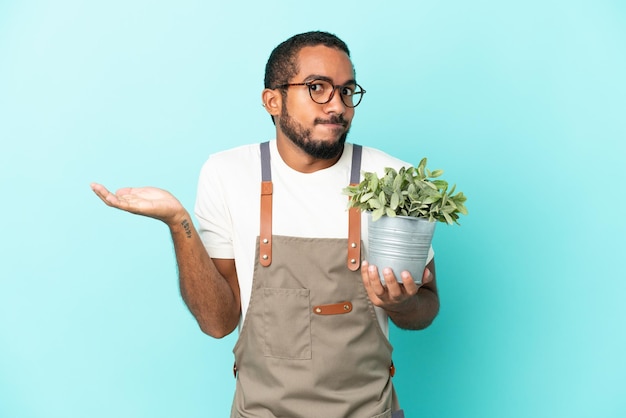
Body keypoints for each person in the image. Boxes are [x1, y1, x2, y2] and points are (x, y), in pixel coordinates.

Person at [92, 31, 439, 418]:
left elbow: (427, 306)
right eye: (317, 88)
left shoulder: (396, 178)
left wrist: (403, 303)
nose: (337, 106)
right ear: (272, 100)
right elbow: (218, 322)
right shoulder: (227, 173)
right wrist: (179, 224)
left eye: (346, 91)